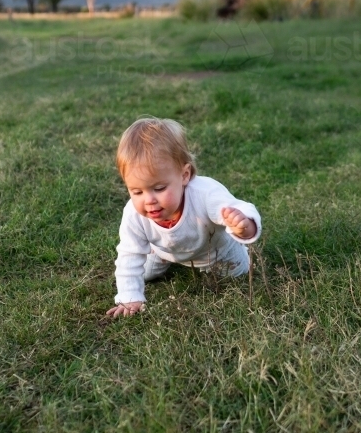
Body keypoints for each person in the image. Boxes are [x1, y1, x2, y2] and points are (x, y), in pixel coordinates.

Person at [106, 117, 262, 317]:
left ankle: (239, 253)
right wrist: (129, 297)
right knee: (144, 274)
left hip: (217, 252)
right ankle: (163, 263)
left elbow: (238, 208)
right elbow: (129, 254)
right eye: (137, 192)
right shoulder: (134, 214)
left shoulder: (205, 194)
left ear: (184, 175)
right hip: (162, 251)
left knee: (239, 274)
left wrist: (243, 225)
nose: (149, 200)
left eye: (159, 188)